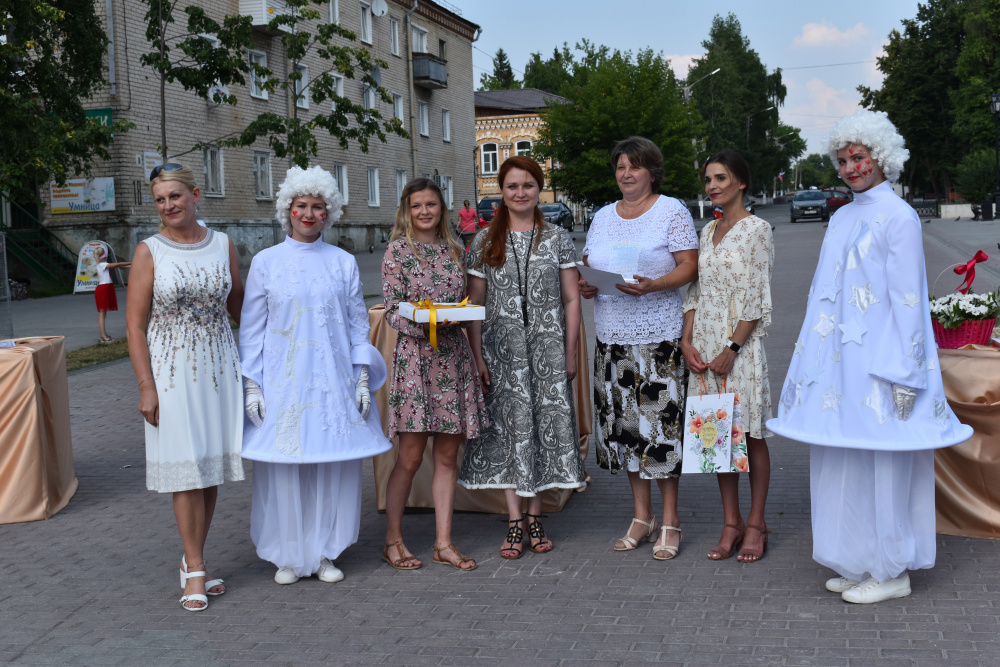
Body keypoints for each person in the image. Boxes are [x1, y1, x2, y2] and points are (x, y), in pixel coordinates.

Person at [766, 110, 972, 603]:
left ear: (882, 157)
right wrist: (812, 360)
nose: (850, 168)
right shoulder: (841, 216)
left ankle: (891, 569)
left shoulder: (899, 216)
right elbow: (823, 295)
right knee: (847, 457)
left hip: (883, 365)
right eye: (842, 160)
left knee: (885, 463)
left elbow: (908, 299)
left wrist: (906, 369)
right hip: (843, 368)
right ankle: (858, 560)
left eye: (858, 157)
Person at [239, 166, 392, 585]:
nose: (308, 214)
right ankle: (288, 555)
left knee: (330, 463)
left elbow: (357, 325)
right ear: (287, 210)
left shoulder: (343, 262)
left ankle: (324, 551)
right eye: (301, 205)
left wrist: (361, 377)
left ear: (330, 212)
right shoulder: (266, 262)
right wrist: (252, 385)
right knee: (285, 465)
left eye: (318, 207)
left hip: (331, 379)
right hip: (283, 380)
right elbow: (251, 329)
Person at [126, 163, 245, 612]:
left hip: (219, 368)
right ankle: (195, 566)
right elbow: (135, 327)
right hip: (171, 373)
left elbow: (241, 309)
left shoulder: (223, 244)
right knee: (186, 470)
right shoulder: (149, 251)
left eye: (175, 196)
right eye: (160, 199)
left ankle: (192, 558)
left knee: (209, 470)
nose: (168, 205)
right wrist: (146, 386)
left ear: (195, 194)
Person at [460, 155, 585, 559]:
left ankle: (535, 516)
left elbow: (571, 299)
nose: (520, 193)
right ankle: (515, 519)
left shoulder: (557, 238)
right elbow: (474, 305)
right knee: (510, 432)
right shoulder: (484, 241)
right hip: (501, 354)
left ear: (539, 189)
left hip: (548, 351)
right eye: (512, 186)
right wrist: (477, 357)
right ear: (502, 190)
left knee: (543, 430)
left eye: (528, 185)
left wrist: (569, 351)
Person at [580, 136, 699, 561]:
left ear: (652, 171)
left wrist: (655, 285)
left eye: (635, 166)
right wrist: (589, 285)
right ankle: (641, 516)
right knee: (627, 430)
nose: (626, 174)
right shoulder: (601, 216)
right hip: (612, 337)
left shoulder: (672, 211)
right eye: (620, 167)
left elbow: (690, 266)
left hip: (657, 338)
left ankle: (671, 519)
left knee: (659, 429)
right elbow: (591, 266)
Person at [381, 178, 489, 571]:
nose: (424, 211)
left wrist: (460, 320)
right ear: (406, 211)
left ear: (442, 208)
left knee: (447, 456)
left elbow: (467, 303)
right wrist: (425, 321)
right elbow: (392, 309)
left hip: (452, 359)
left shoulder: (455, 249)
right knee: (410, 457)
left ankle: (443, 543)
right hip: (416, 362)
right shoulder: (397, 251)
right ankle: (393, 540)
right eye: (416, 206)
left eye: (431, 204)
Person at [681, 149, 774, 563]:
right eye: (708, 179)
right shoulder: (707, 230)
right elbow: (696, 291)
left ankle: (756, 523)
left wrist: (732, 349)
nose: (712, 186)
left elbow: (757, 295)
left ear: (741, 182)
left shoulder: (758, 229)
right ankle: (731, 523)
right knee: (717, 435)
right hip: (703, 347)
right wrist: (687, 340)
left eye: (720, 178)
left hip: (739, 347)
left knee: (750, 433)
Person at [92, 245, 130, 344]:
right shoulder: (102, 265)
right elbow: (118, 265)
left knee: (103, 313)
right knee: (102, 313)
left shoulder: (103, 264)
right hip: (103, 289)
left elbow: (119, 265)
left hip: (106, 288)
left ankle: (104, 335)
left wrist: (131, 265)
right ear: (103, 256)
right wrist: (131, 262)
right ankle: (103, 336)